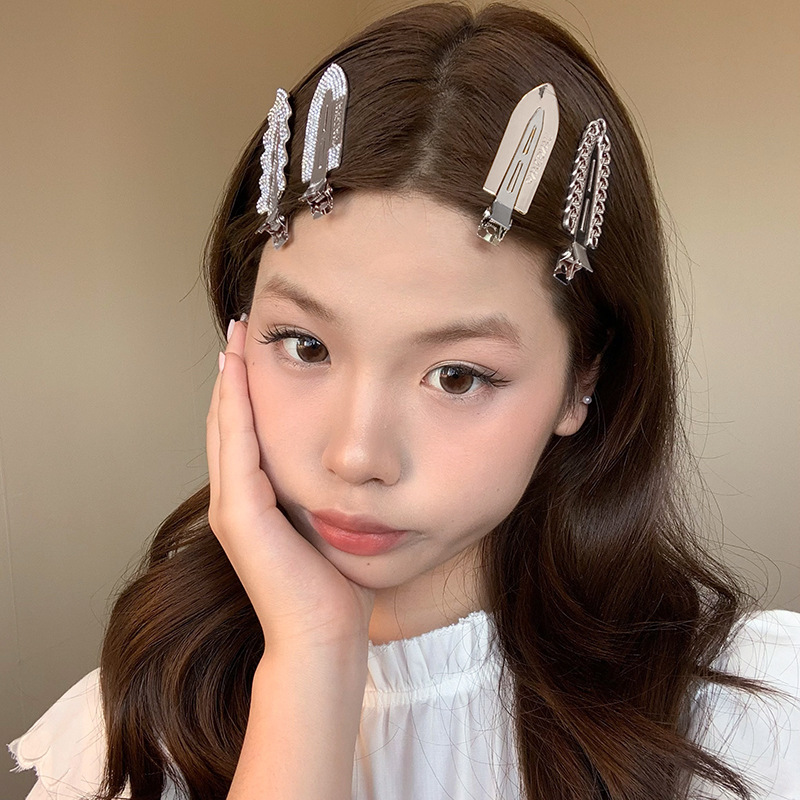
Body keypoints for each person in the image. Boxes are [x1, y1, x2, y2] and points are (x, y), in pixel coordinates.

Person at [8, 3, 800, 799]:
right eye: (305, 345)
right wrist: (311, 658)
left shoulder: (753, 718)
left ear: (583, 377)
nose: (356, 456)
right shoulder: (133, 729)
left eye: (457, 376)